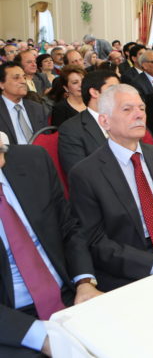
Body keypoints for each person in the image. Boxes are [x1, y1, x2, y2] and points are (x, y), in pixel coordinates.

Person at [69, 84, 153, 292]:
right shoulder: (86, 173)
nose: (138, 115)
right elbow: (95, 242)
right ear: (104, 121)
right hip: (130, 267)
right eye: (127, 109)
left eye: (141, 108)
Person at [0, 139, 101, 357]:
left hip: (68, 293)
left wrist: (84, 282)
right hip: (11, 316)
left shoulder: (33, 160)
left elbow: (69, 227)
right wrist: (40, 336)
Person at [58, 70, 120, 175]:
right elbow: (79, 174)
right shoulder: (71, 129)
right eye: (112, 89)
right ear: (94, 92)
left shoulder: (124, 120)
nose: (119, 94)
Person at [0, 63, 47, 144]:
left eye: (24, 77)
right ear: (1, 84)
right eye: (16, 78)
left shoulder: (37, 108)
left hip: (38, 154)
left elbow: (46, 139)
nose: (23, 81)